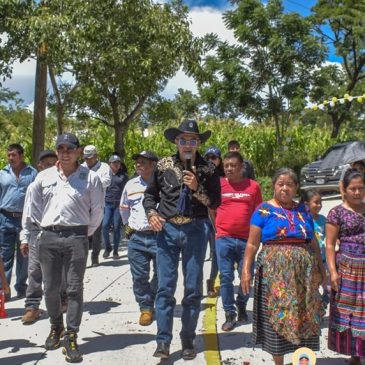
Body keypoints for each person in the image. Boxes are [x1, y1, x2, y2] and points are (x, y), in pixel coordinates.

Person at [143, 119, 221, 360]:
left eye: (193, 140)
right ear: (176, 142)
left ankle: (188, 338)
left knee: (192, 289)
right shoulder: (163, 165)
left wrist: (197, 187)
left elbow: (215, 202)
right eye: (183, 140)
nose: (188, 144)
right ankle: (163, 341)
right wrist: (152, 213)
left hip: (195, 230)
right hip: (167, 232)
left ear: (198, 143)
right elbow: (149, 196)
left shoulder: (208, 169)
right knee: (165, 288)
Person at [31, 133, 104, 363]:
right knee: (50, 288)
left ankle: (72, 334)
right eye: (60, 148)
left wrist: (82, 234)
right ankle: (56, 327)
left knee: (74, 289)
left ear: (78, 151)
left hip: (76, 237)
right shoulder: (44, 176)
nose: (65, 152)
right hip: (49, 237)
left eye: (69, 148)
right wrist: (41, 231)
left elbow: (98, 211)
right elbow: (34, 208)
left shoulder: (90, 178)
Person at [241, 167, 326, 365]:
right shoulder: (263, 210)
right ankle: (278, 362)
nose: (285, 188)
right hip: (274, 273)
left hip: (304, 273)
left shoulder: (304, 209)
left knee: (306, 315)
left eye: (289, 184)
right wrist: (246, 269)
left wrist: (321, 270)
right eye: (280, 184)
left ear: (296, 187)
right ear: (273, 186)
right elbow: (253, 243)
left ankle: (302, 361)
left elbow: (312, 241)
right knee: (276, 315)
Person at [215, 151, 262, 331]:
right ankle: (229, 313)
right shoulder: (218, 185)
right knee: (225, 277)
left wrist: (257, 238)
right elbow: (213, 210)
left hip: (247, 240)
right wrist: (219, 230)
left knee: (246, 276)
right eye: (226, 166)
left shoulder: (253, 187)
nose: (229, 169)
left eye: (233, 165)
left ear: (242, 167)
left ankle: (241, 303)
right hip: (224, 238)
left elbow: (259, 214)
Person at [19, 150, 65, 324]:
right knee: (34, 270)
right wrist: (25, 237)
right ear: (40, 166)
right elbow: (28, 213)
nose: (50, 168)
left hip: (56, 232)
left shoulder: (61, 185)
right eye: (46, 164)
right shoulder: (34, 186)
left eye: (53, 164)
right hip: (36, 232)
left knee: (59, 270)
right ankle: (32, 306)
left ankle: (62, 299)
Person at [326, 169, 365, 365]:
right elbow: (330, 244)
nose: (357, 192)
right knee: (349, 313)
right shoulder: (336, 213)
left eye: (361, 188)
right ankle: (355, 356)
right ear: (344, 189)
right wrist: (333, 272)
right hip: (347, 269)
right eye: (353, 189)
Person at [120, 151, 158, 326]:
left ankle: (152, 296)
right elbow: (124, 209)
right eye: (137, 162)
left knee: (163, 275)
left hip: (160, 238)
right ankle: (146, 308)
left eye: (143, 162)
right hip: (137, 238)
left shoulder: (163, 184)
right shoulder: (130, 185)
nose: (138, 165)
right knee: (139, 276)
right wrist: (129, 226)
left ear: (153, 165)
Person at [0, 143, 37, 300]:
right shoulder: (2, 173)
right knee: (4, 255)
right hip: (5, 218)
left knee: (24, 255)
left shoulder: (32, 173)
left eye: (13, 155)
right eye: (8, 155)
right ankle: (4, 290)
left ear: (21, 156)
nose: (10, 158)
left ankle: (21, 286)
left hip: (24, 219)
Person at [82, 145, 112, 266]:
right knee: (82, 233)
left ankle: (95, 258)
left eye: (90, 157)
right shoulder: (81, 167)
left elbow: (107, 181)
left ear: (96, 156)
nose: (87, 160)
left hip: (98, 204)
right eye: (86, 158)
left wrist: (92, 181)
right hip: (83, 205)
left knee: (96, 234)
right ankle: (82, 258)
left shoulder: (104, 167)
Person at [204, 146, 224, 298]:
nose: (211, 161)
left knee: (217, 253)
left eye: (214, 158)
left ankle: (213, 281)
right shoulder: (200, 175)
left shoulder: (224, 178)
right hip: (202, 219)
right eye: (208, 158)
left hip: (219, 219)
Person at [102, 154, 128, 259]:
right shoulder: (106, 175)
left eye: (118, 163)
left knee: (117, 227)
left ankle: (115, 251)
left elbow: (127, 191)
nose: (116, 165)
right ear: (110, 164)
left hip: (118, 204)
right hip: (107, 203)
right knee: (105, 225)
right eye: (114, 163)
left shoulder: (124, 176)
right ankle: (108, 247)